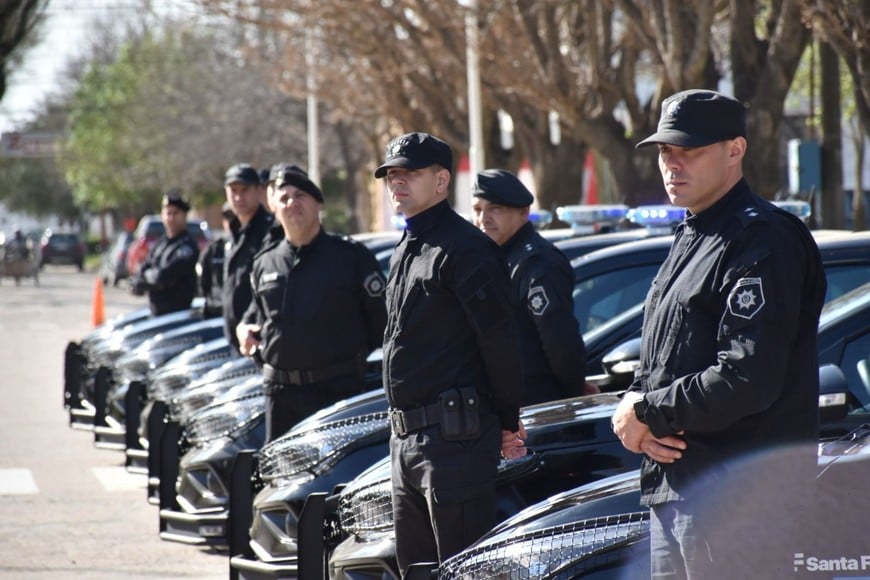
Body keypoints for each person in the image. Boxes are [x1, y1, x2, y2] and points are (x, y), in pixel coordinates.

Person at [610, 89, 827, 579]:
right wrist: (634, 409)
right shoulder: (693, 235)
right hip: (682, 491)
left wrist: (648, 411)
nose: (673, 164)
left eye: (689, 151)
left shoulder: (763, 239)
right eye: (666, 152)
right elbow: (664, 360)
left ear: (735, 151)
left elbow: (748, 376)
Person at [376, 132, 527, 574]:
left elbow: (499, 342)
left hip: (454, 441)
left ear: (442, 180)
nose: (397, 183)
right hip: (405, 439)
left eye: (409, 173)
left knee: (460, 569)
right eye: (391, 175)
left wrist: (508, 421)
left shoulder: (466, 249)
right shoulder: (407, 246)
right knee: (416, 570)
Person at [236, 165, 387, 442]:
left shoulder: (350, 257)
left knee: (336, 482)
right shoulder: (264, 262)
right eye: (284, 198)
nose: (291, 203)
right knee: (282, 480)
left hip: (336, 392)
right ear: (274, 209)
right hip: (280, 396)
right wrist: (243, 328)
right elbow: (257, 314)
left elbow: (383, 323)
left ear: (318, 203)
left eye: (300, 195)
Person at [471, 168, 592, 405]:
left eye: (495, 209)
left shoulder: (537, 262)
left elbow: (559, 341)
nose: (483, 219)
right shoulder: (494, 258)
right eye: (477, 210)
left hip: (537, 408)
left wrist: (572, 393)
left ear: (523, 213)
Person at [221, 163, 273, 352]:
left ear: (259, 191)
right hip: (236, 340)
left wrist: (249, 323)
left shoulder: (269, 231)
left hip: (256, 338)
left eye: (244, 190)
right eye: (233, 190)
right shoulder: (234, 231)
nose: (238, 197)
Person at [130, 191, 200, 315]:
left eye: (176, 213)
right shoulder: (161, 243)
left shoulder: (187, 247)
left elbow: (163, 277)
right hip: (156, 311)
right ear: (162, 215)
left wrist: (148, 277)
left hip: (177, 314)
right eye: (168, 213)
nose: (171, 218)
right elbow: (142, 269)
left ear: (184, 216)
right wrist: (147, 276)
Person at [197, 202, 234, 319]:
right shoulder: (214, 248)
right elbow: (203, 282)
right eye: (227, 217)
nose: (231, 222)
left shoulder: (252, 247)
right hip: (215, 311)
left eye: (234, 217)